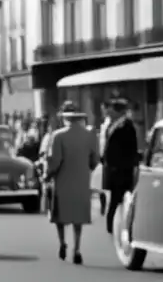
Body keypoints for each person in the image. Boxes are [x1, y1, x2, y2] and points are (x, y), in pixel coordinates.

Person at [46, 101, 100, 264]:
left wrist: (48, 174)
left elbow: (54, 160)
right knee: (78, 217)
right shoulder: (90, 135)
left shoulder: (58, 136)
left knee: (60, 216)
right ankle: (77, 248)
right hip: (82, 180)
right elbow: (95, 159)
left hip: (62, 180)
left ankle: (62, 242)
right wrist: (87, 168)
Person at [102, 98, 139, 235]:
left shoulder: (126, 126)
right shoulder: (114, 125)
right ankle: (112, 225)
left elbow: (129, 149)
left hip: (121, 170)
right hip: (114, 170)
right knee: (114, 200)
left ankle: (116, 226)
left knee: (119, 199)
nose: (109, 112)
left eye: (112, 109)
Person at [96, 103, 111, 215]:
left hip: (108, 157)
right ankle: (103, 205)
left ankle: (107, 205)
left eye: (104, 109)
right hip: (102, 157)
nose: (103, 112)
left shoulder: (110, 123)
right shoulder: (104, 123)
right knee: (101, 182)